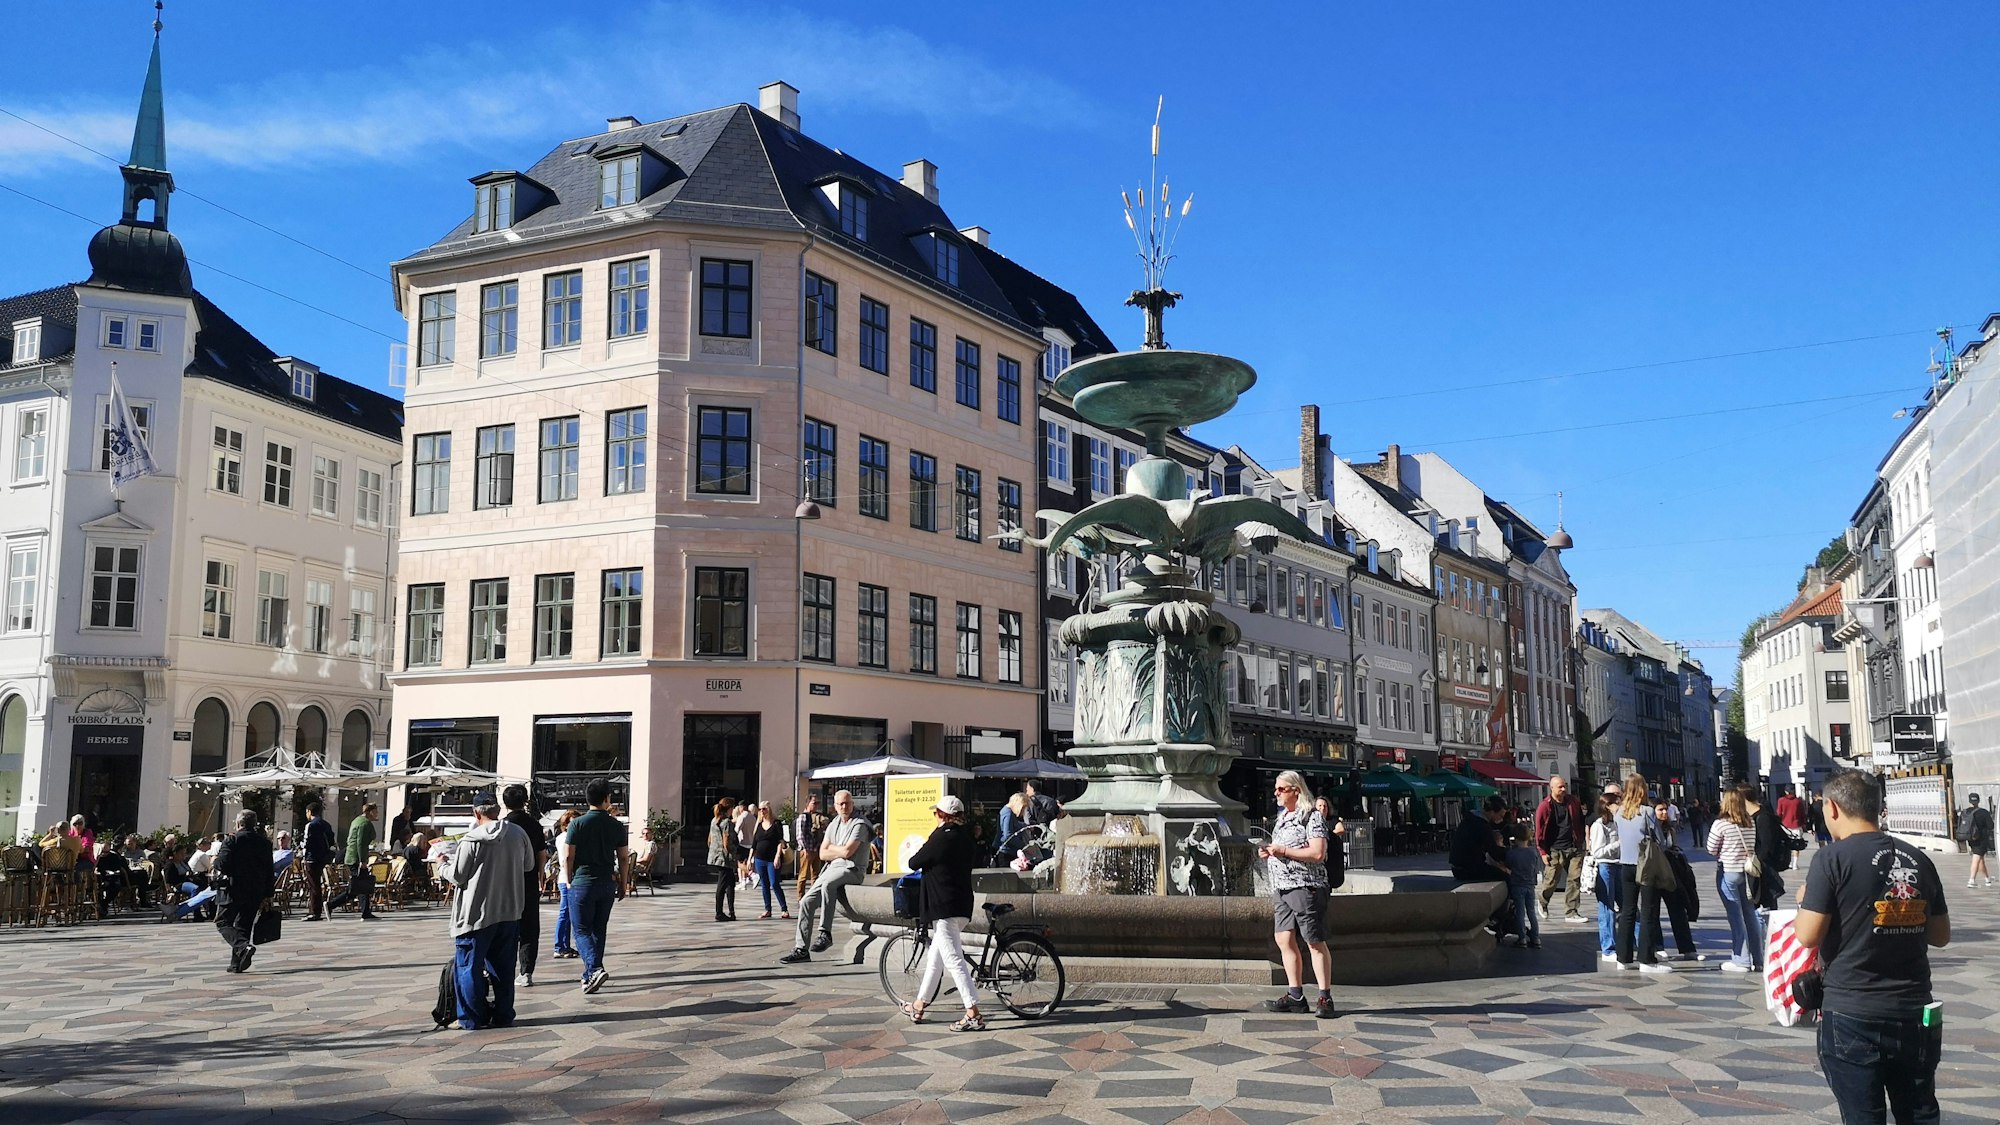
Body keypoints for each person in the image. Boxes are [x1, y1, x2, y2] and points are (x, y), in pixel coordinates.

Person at [1796, 768, 1950, 1125]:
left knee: (1863, 1117)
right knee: (1919, 1113)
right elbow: (1940, 935)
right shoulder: (1917, 859)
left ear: (1832, 808)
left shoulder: (1831, 859)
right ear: (1877, 807)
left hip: (1853, 1011)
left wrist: (1806, 901)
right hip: (1915, 1010)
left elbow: (1807, 935)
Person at [442, 797, 536, 1030]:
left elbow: (458, 876)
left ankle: (471, 1018)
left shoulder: (470, 840)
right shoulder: (518, 834)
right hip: (510, 909)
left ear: (476, 813)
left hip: (476, 913)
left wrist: (442, 865)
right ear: (498, 810)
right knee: (504, 968)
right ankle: (504, 1014)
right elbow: (529, 865)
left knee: (468, 967)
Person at [899, 795, 985, 1031]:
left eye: (936, 813)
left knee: (954, 960)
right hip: (961, 906)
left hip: (943, 907)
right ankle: (919, 1005)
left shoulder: (941, 837)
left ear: (943, 816)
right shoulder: (966, 840)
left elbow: (914, 862)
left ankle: (973, 1013)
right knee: (935, 960)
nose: (934, 817)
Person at [1257, 771, 1337, 1017]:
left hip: (1306, 885)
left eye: (1281, 789)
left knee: (1314, 941)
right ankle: (1295, 996)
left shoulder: (1311, 816)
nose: (1276, 793)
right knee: (1284, 940)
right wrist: (1270, 852)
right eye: (1276, 789)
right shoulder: (1283, 817)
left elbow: (1317, 853)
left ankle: (1324, 998)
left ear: (1296, 790)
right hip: (1282, 888)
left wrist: (1282, 851)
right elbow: (1284, 849)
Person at [780, 789, 873, 964]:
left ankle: (825, 933)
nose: (844, 806)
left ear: (852, 804)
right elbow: (822, 853)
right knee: (806, 901)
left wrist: (836, 850)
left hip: (852, 870)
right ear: (835, 806)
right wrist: (840, 851)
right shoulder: (834, 824)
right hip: (831, 868)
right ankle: (801, 949)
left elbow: (848, 852)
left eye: (847, 803)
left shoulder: (860, 824)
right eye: (841, 804)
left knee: (829, 884)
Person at [565, 778, 629, 996]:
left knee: (581, 929)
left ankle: (594, 969)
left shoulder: (577, 823)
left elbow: (568, 855)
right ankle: (589, 975)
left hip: (582, 882)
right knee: (599, 928)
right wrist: (623, 882)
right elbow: (623, 858)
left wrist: (568, 878)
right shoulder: (617, 825)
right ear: (607, 799)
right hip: (606, 883)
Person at [1611, 773, 1672, 972]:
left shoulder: (1618, 813)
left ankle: (1623, 957)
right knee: (1648, 911)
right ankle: (1646, 958)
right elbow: (1661, 841)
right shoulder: (1647, 811)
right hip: (1645, 866)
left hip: (1625, 865)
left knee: (1628, 911)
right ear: (1642, 789)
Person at [496, 785, 549, 988]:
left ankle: (503, 969)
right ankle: (526, 971)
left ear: (504, 803)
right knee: (529, 927)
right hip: (528, 881)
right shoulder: (534, 824)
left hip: (504, 882)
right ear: (525, 801)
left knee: (505, 925)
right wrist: (541, 875)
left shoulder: (501, 826)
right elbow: (542, 853)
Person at [213, 810, 275, 974]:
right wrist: (269, 893)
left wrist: (215, 860)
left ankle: (242, 947)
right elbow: (270, 869)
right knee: (244, 925)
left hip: (234, 888)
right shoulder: (265, 842)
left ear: (239, 823)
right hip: (256, 889)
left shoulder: (232, 840)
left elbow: (222, 865)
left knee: (222, 921)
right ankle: (236, 963)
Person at [1643, 800, 1701, 965]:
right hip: (1653, 872)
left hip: (1670, 873)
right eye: (1660, 809)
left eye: (1665, 810)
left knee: (1677, 909)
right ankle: (1658, 946)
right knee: (1653, 912)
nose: (1664, 813)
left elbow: (1674, 847)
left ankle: (1687, 948)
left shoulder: (1670, 829)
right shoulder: (1647, 829)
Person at [1707, 787, 1758, 973]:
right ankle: (1758, 958)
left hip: (1728, 871)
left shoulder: (1721, 824)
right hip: (1747, 872)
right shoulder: (1750, 822)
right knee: (1750, 915)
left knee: (1735, 917)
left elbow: (1711, 848)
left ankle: (1741, 959)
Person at [1533, 775, 1587, 925]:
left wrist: (1582, 842)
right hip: (1554, 849)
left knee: (1574, 880)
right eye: (1560, 787)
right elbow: (1539, 830)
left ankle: (1571, 911)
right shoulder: (1545, 806)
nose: (1563, 789)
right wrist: (1542, 852)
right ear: (1552, 788)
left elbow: (1580, 821)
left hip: (1574, 847)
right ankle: (1543, 901)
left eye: (1564, 786)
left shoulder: (1573, 801)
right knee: (1551, 880)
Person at [1745, 785, 1791, 958]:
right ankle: (1766, 946)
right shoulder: (1756, 816)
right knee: (1761, 906)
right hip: (1760, 869)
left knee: (1766, 907)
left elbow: (1767, 846)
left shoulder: (1763, 818)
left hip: (1765, 870)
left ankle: (1770, 947)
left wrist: (1755, 860)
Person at [325, 802, 380, 920]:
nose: (377, 814)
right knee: (359, 887)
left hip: (350, 856)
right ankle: (331, 904)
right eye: (375, 811)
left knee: (360, 886)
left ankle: (365, 912)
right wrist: (362, 860)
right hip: (356, 858)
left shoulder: (356, 820)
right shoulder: (365, 824)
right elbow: (360, 843)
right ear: (370, 812)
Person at [1585, 795, 1622, 962]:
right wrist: (1619, 844)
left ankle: (1642, 943)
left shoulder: (1617, 822)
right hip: (1605, 867)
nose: (1620, 806)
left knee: (1628, 906)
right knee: (1607, 908)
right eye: (1617, 804)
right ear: (1607, 806)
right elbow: (1597, 852)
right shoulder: (1598, 826)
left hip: (1619, 865)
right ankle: (1608, 948)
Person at [1504, 823, 1543, 948]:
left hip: (1517, 885)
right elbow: (1536, 869)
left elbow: (1508, 866)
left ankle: (1522, 938)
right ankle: (1536, 937)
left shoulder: (1512, 853)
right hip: (1530, 885)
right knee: (1531, 912)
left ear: (1515, 838)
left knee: (1520, 912)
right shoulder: (1533, 852)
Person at [750, 803, 790, 919]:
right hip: (759, 859)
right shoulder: (759, 825)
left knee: (774, 883)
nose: (762, 811)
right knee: (764, 884)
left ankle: (784, 909)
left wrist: (777, 856)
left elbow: (780, 841)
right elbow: (754, 844)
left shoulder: (776, 824)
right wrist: (749, 859)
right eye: (760, 809)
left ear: (769, 810)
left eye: (764, 809)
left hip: (772, 859)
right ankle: (767, 909)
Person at [300, 800, 336, 922]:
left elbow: (306, 842)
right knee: (317, 885)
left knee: (313, 885)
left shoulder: (310, 825)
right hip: (323, 858)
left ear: (309, 812)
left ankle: (314, 911)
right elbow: (331, 841)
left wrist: (302, 852)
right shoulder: (326, 824)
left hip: (311, 858)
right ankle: (317, 910)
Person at [551, 810, 580, 956]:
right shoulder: (564, 838)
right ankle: (559, 946)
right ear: (565, 824)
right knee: (565, 912)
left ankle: (565, 945)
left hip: (570, 878)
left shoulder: (573, 836)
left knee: (568, 913)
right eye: (571, 822)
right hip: (566, 879)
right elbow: (565, 859)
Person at [707, 800, 737, 923]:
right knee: (723, 883)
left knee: (730, 883)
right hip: (725, 858)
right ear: (729, 809)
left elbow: (709, 839)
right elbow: (727, 842)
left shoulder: (714, 820)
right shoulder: (727, 822)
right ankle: (719, 912)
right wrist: (734, 852)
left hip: (715, 855)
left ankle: (731, 911)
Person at [1957, 792, 1992, 889]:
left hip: (1970, 838)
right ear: (1978, 800)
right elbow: (1991, 825)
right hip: (1981, 839)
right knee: (1976, 858)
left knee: (1980, 859)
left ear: (1969, 801)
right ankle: (1971, 880)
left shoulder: (1965, 812)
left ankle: (1987, 879)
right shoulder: (1983, 812)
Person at [794, 795, 825, 899]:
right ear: (808, 804)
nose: (816, 806)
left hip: (815, 848)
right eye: (814, 803)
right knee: (803, 875)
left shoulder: (815, 816)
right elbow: (800, 835)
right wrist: (804, 848)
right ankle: (800, 897)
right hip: (807, 849)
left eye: (817, 803)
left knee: (815, 875)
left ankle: (813, 897)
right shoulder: (803, 816)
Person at [994, 792, 1029, 866]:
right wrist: (1024, 846)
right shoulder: (1008, 814)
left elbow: (1013, 825)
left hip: (1004, 850)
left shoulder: (1007, 811)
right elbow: (1007, 836)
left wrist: (1024, 826)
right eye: (1023, 808)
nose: (1023, 811)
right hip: (1006, 852)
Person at [731, 801, 756, 888]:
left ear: (741, 807)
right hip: (751, 843)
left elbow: (736, 830)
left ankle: (751, 875)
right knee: (746, 862)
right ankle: (743, 881)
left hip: (743, 843)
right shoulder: (753, 817)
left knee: (739, 863)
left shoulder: (742, 817)